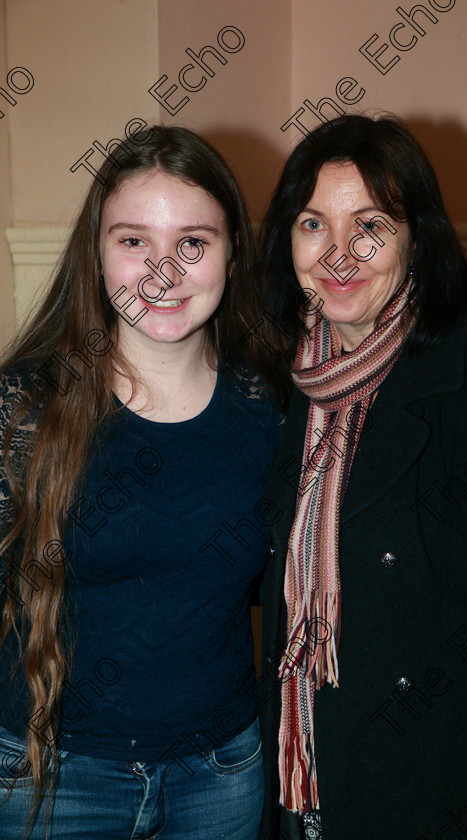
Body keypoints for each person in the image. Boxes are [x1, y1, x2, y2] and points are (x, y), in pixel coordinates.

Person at [257, 114, 467, 840]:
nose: (337, 254)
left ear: (416, 237)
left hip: (437, 790)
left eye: (369, 225)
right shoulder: (279, 384)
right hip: (308, 780)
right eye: (311, 225)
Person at [0, 124, 289, 839]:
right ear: (96, 254)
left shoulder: (274, 411)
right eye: (134, 241)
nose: (163, 271)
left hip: (220, 780)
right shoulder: (25, 405)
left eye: (193, 242)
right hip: (52, 779)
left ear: (231, 255)